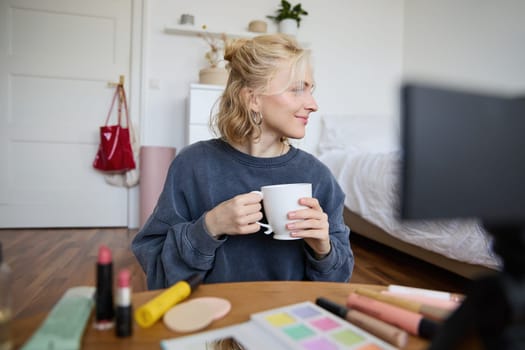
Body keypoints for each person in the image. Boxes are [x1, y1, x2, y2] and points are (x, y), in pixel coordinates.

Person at [132, 34, 354, 290]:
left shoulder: (318, 176)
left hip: (287, 318)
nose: (313, 104)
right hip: (210, 314)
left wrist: (323, 249)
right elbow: (157, 269)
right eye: (297, 89)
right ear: (253, 99)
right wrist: (208, 227)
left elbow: (339, 283)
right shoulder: (193, 165)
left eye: (310, 90)